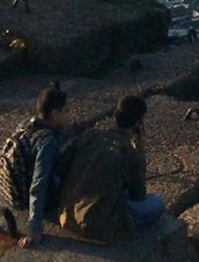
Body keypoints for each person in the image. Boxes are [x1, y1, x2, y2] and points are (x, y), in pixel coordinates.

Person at [56, 94, 166, 244]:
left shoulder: (90, 135)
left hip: (67, 214)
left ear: (115, 115)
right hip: (97, 225)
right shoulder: (132, 155)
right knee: (158, 202)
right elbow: (138, 196)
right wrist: (140, 151)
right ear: (138, 124)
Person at [13, 84, 69, 247]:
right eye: (66, 111)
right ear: (55, 113)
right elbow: (39, 183)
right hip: (41, 199)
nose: (69, 114)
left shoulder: (26, 126)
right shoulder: (48, 142)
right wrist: (34, 228)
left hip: (17, 192)